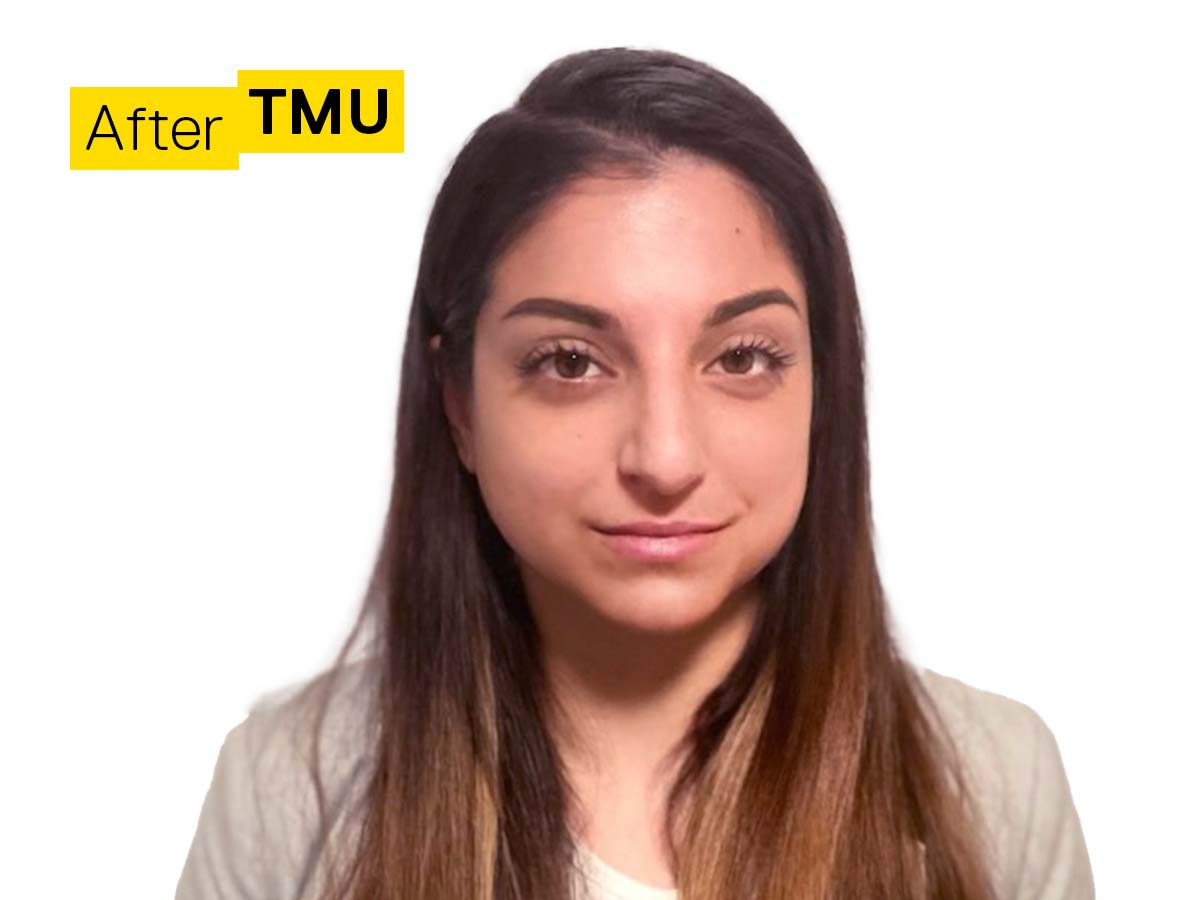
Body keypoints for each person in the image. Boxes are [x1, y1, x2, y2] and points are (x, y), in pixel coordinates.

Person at [175, 47, 1094, 900]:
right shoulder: (285, 796)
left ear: (823, 387)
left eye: (742, 358)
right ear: (460, 405)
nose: (665, 458)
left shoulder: (991, 786)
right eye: (571, 362)